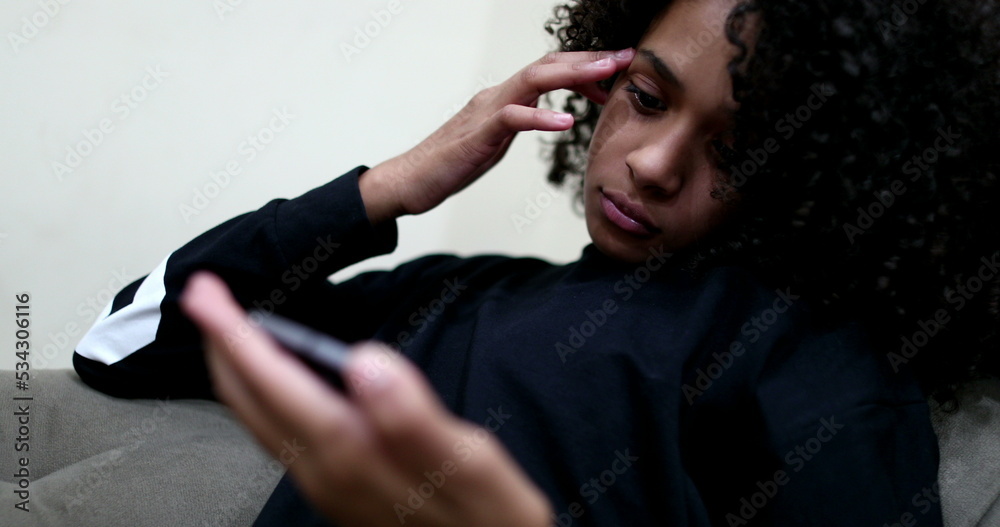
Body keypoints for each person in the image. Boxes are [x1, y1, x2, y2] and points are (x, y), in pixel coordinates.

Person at [72, 0, 1000, 525]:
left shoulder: (807, 355)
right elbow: (120, 345)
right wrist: (389, 187)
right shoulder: (456, 295)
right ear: (596, 77)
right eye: (645, 96)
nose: (655, 160)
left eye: (738, 150)